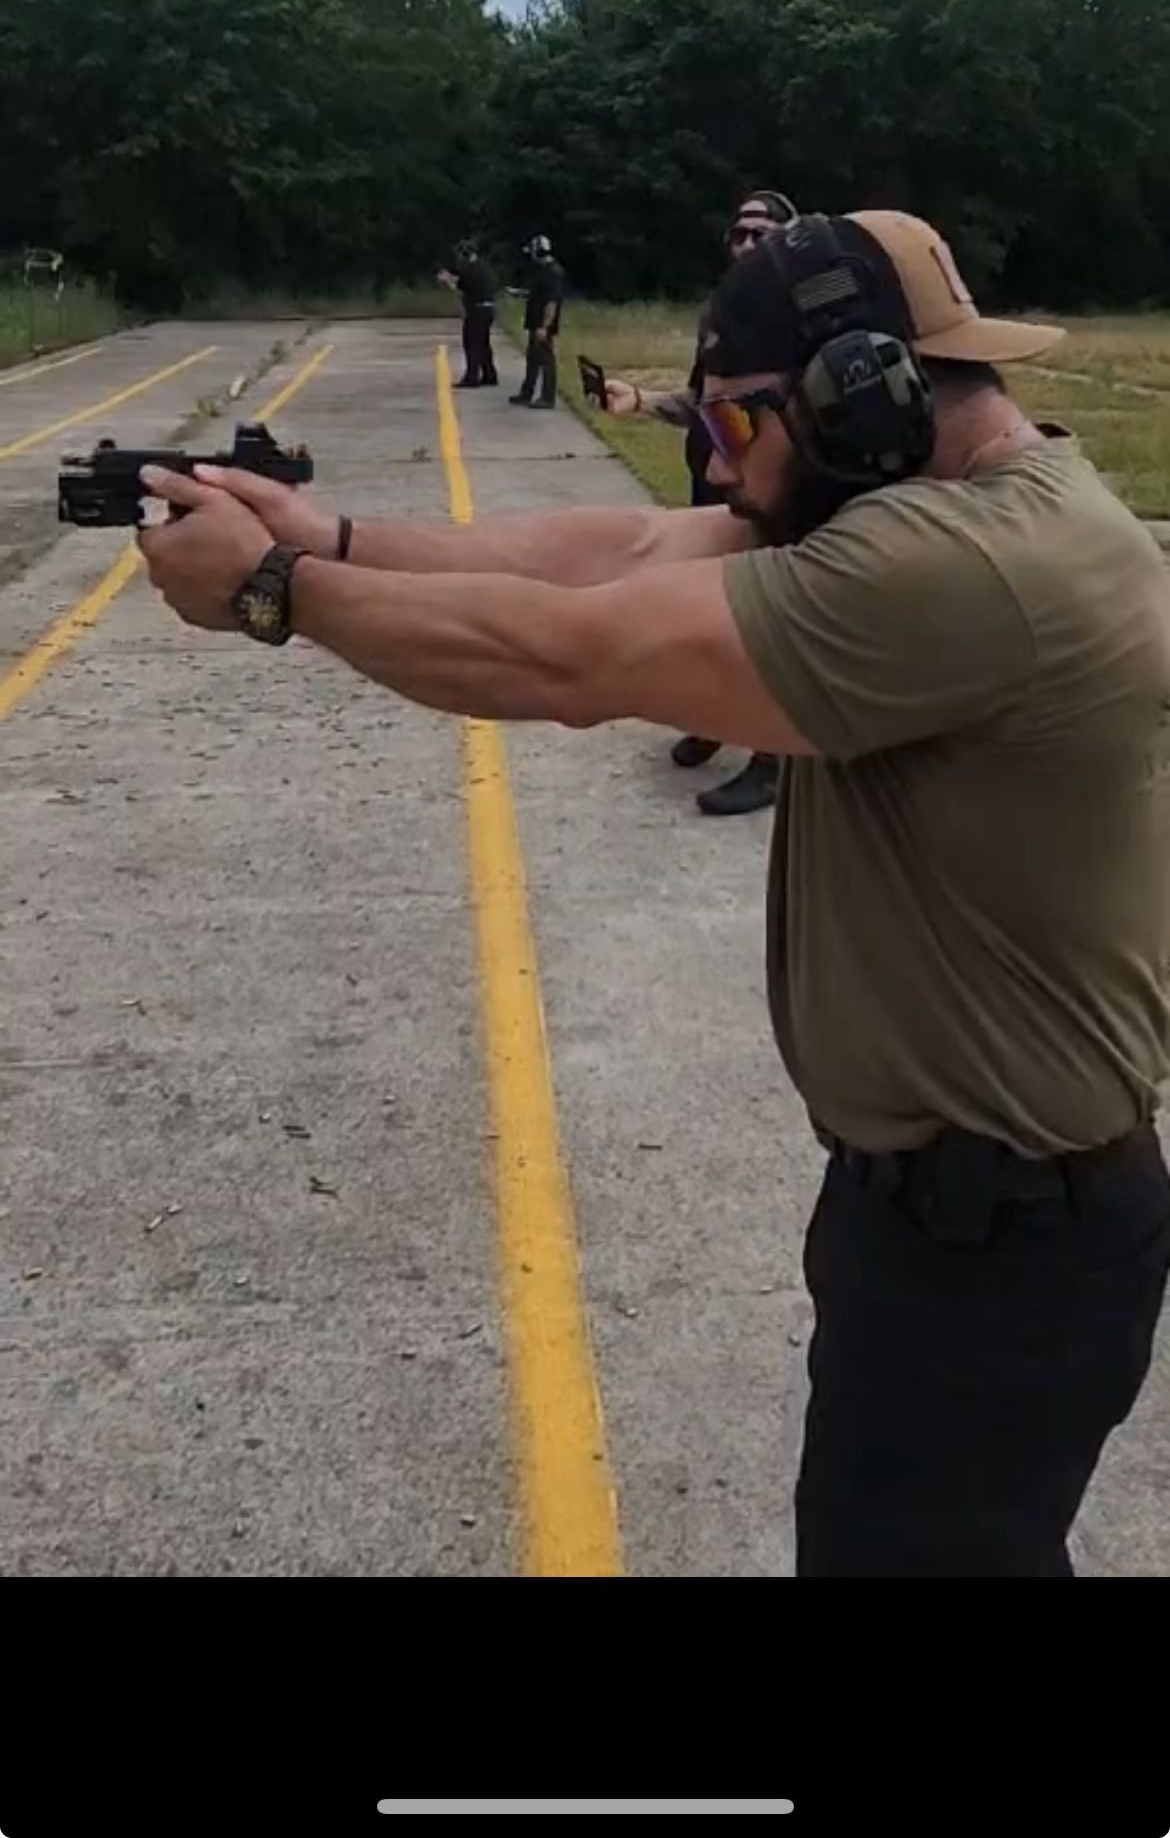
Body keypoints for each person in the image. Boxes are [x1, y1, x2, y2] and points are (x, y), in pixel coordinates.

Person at [140, 207, 1170, 1579]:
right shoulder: (957, 505)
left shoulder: (965, 567)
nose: (729, 474)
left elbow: (573, 658)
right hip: (955, 1218)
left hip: (995, 1247)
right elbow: (610, 558)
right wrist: (328, 531)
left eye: (740, 428)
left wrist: (278, 591)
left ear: (860, 391)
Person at [605, 188, 797, 817]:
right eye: (739, 232)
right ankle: (715, 717)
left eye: (761, 232)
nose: (746, 243)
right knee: (710, 616)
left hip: (772, 491)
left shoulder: (801, 315)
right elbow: (704, 403)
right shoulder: (718, 315)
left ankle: (773, 759)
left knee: (765, 622)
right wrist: (640, 399)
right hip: (713, 483)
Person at [510, 235, 565, 410]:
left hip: (543, 324)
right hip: (535, 322)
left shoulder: (553, 272)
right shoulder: (543, 270)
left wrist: (545, 326)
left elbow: (551, 302)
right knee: (532, 359)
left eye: (533, 251)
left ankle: (547, 398)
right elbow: (537, 293)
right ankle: (527, 393)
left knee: (547, 361)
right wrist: (520, 293)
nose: (531, 255)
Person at [438, 239, 498, 388]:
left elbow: (459, 289)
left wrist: (447, 280)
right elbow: (460, 273)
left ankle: (472, 377)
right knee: (483, 343)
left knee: (471, 343)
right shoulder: (482, 266)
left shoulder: (471, 271)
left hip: (477, 310)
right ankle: (489, 374)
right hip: (488, 309)